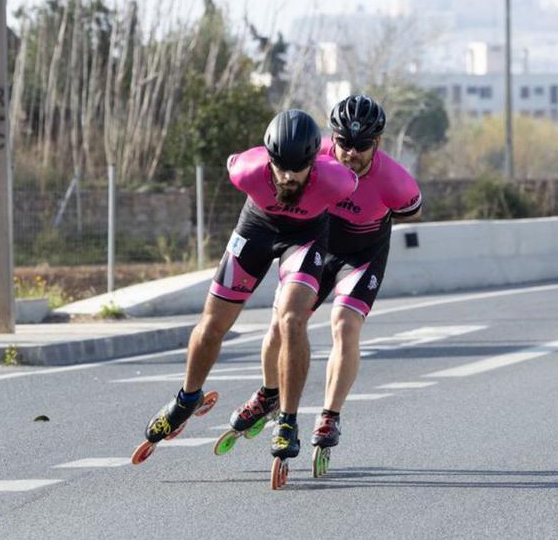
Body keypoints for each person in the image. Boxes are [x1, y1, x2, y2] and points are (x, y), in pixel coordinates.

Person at [132, 109, 358, 465]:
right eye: (279, 166)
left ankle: (287, 419)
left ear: (314, 163)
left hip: (304, 239)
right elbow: (242, 162)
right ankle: (186, 398)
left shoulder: (338, 181)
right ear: (268, 158)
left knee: (291, 321)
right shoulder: (244, 170)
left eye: (296, 169)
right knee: (212, 325)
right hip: (255, 229)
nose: (286, 176)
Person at [223, 94, 422, 473]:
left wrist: (369, 221)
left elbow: (411, 211)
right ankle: (268, 395)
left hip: (361, 255)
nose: (351, 152)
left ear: (377, 143)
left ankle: (330, 414)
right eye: (343, 142)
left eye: (362, 145)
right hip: (318, 243)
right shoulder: (314, 156)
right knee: (283, 322)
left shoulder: (395, 180)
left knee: (345, 326)